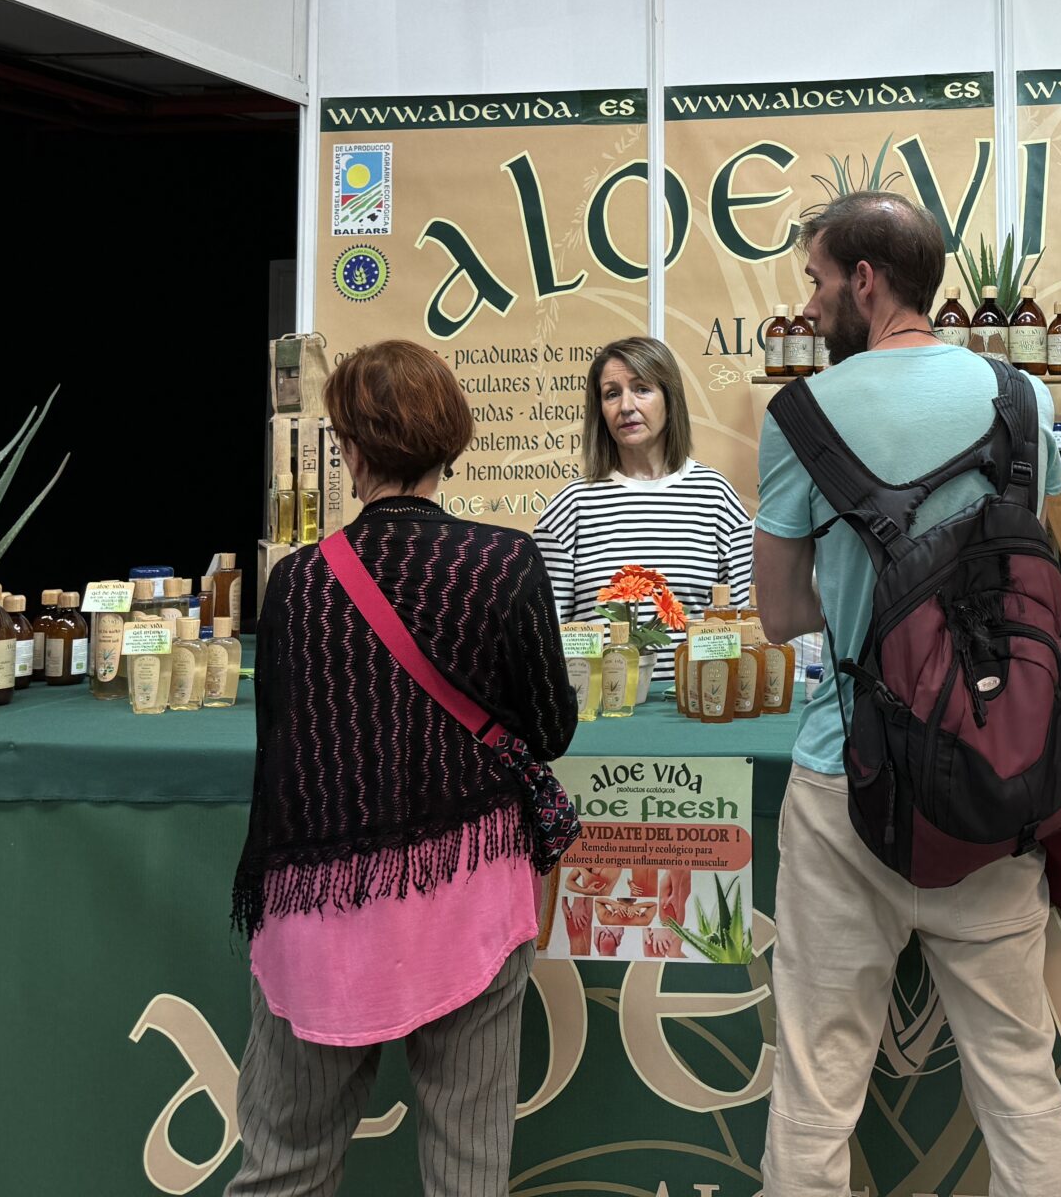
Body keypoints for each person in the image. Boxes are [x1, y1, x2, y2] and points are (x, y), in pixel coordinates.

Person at [752, 194, 1061, 1196]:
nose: (810, 304)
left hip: (846, 779)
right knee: (1020, 1080)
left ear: (864, 280)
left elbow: (778, 614)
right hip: (994, 772)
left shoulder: (801, 416)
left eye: (816, 280)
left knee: (817, 1084)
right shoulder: (1022, 399)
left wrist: (863, 597)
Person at [229, 339, 574, 1197]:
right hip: (466, 895)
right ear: (450, 442)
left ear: (349, 451)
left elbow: (283, 749)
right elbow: (549, 729)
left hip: (320, 910)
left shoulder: (295, 583)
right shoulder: (504, 561)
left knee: (283, 1167)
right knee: (468, 1171)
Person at [535, 334, 752, 697]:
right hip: (600, 712)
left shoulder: (716, 497)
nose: (626, 406)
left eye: (642, 389)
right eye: (611, 394)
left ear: (670, 398)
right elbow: (544, 635)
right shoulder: (570, 506)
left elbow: (744, 625)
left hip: (696, 710)